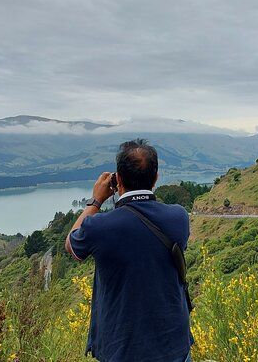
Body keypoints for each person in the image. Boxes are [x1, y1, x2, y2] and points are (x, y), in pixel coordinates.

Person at [65, 139, 192, 362]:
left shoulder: (101, 226)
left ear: (118, 179)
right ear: (155, 178)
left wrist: (95, 201)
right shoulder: (179, 217)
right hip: (174, 345)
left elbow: (71, 244)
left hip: (122, 349)